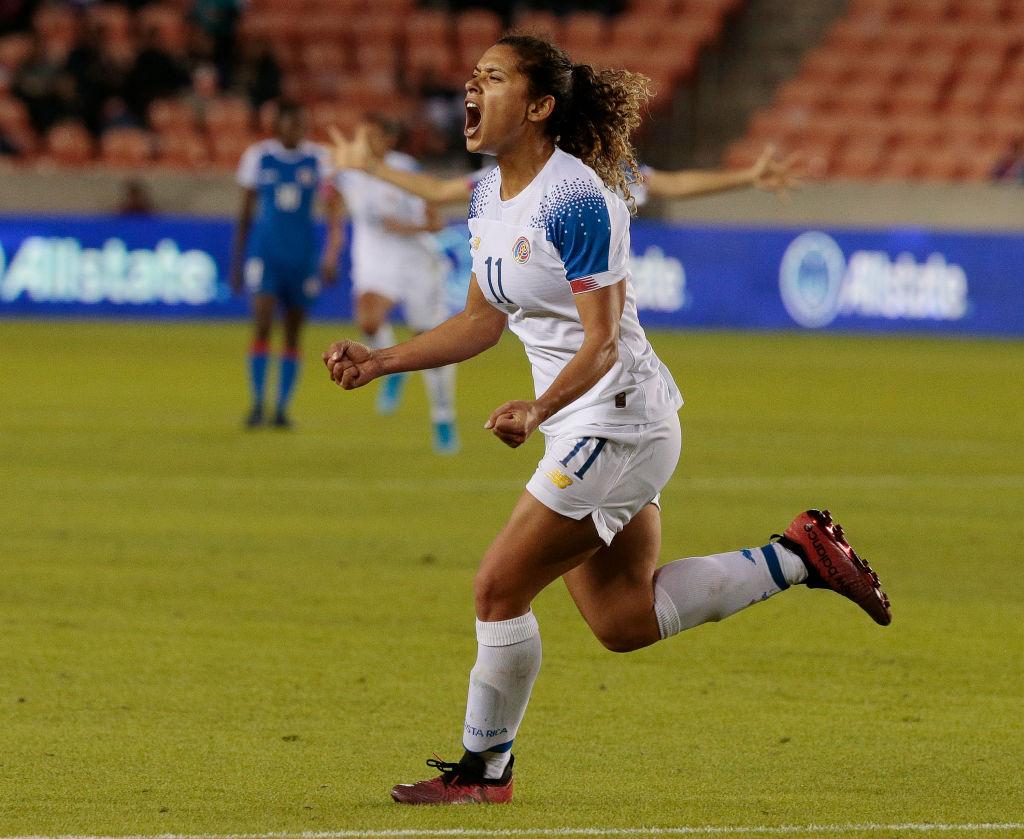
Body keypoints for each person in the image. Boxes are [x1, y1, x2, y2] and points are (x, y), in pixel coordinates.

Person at [325, 34, 891, 805]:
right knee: (625, 618)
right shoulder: (489, 196)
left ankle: (484, 771)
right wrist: (380, 359)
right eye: (473, 75)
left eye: (493, 77)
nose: (472, 85)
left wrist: (538, 406)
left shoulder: (578, 198)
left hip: (617, 418)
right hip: (586, 422)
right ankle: (799, 554)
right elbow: (480, 323)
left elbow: (600, 342)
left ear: (538, 106)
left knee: (497, 587)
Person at [332, 114, 459, 453]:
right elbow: (329, 192)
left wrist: (405, 228)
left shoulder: (407, 170)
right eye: (363, 133)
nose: (366, 141)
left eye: (373, 134)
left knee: (428, 341)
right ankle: (391, 367)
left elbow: (435, 222)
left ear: (388, 139)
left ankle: (442, 416)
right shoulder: (350, 172)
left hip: (416, 261)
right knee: (368, 320)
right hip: (374, 258)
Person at [232, 99, 341, 428]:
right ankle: (256, 403)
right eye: (290, 123)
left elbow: (333, 207)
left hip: (303, 256)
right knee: (263, 323)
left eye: (301, 123)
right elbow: (246, 211)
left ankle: (281, 409)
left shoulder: (319, 159)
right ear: (277, 125)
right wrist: (237, 259)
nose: (296, 129)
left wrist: (331, 251)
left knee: (293, 334)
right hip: (266, 253)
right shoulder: (258, 156)